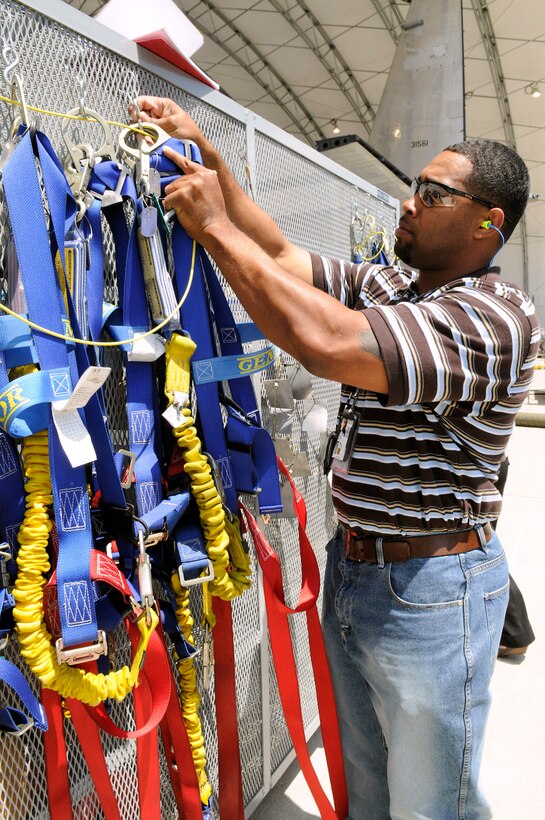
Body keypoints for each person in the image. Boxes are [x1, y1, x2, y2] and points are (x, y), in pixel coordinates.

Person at [135, 96, 540, 819]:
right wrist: (210, 157)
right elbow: (281, 257)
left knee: (429, 806)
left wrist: (212, 226)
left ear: (488, 224)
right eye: (413, 185)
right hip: (357, 573)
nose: (407, 202)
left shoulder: (492, 316)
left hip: (430, 592)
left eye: (431, 192)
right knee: (370, 789)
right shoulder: (397, 286)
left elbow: (324, 342)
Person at [493, 458, 536, 657]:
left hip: (476, 465)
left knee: (479, 549)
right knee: (480, 546)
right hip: (488, 459)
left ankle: (516, 633)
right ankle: (515, 633)